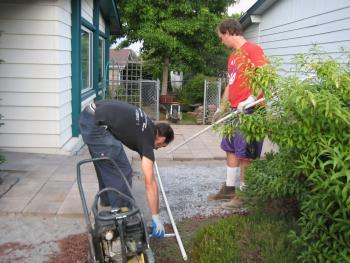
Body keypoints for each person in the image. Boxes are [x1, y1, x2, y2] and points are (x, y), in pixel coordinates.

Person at [79, 100, 174, 238]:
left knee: (108, 162)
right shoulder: (147, 139)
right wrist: (156, 217)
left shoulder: (147, 123)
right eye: (162, 146)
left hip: (90, 116)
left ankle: (107, 201)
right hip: (94, 124)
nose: (157, 149)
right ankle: (121, 217)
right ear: (161, 139)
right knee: (121, 170)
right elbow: (150, 182)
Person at [208, 19, 266, 209]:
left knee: (246, 153)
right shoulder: (233, 58)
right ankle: (230, 189)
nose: (221, 41)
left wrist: (251, 98)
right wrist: (221, 107)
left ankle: (244, 194)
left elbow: (265, 76)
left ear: (228, 32)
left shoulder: (253, 50)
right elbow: (231, 85)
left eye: (220, 37)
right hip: (235, 111)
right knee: (230, 147)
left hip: (251, 110)